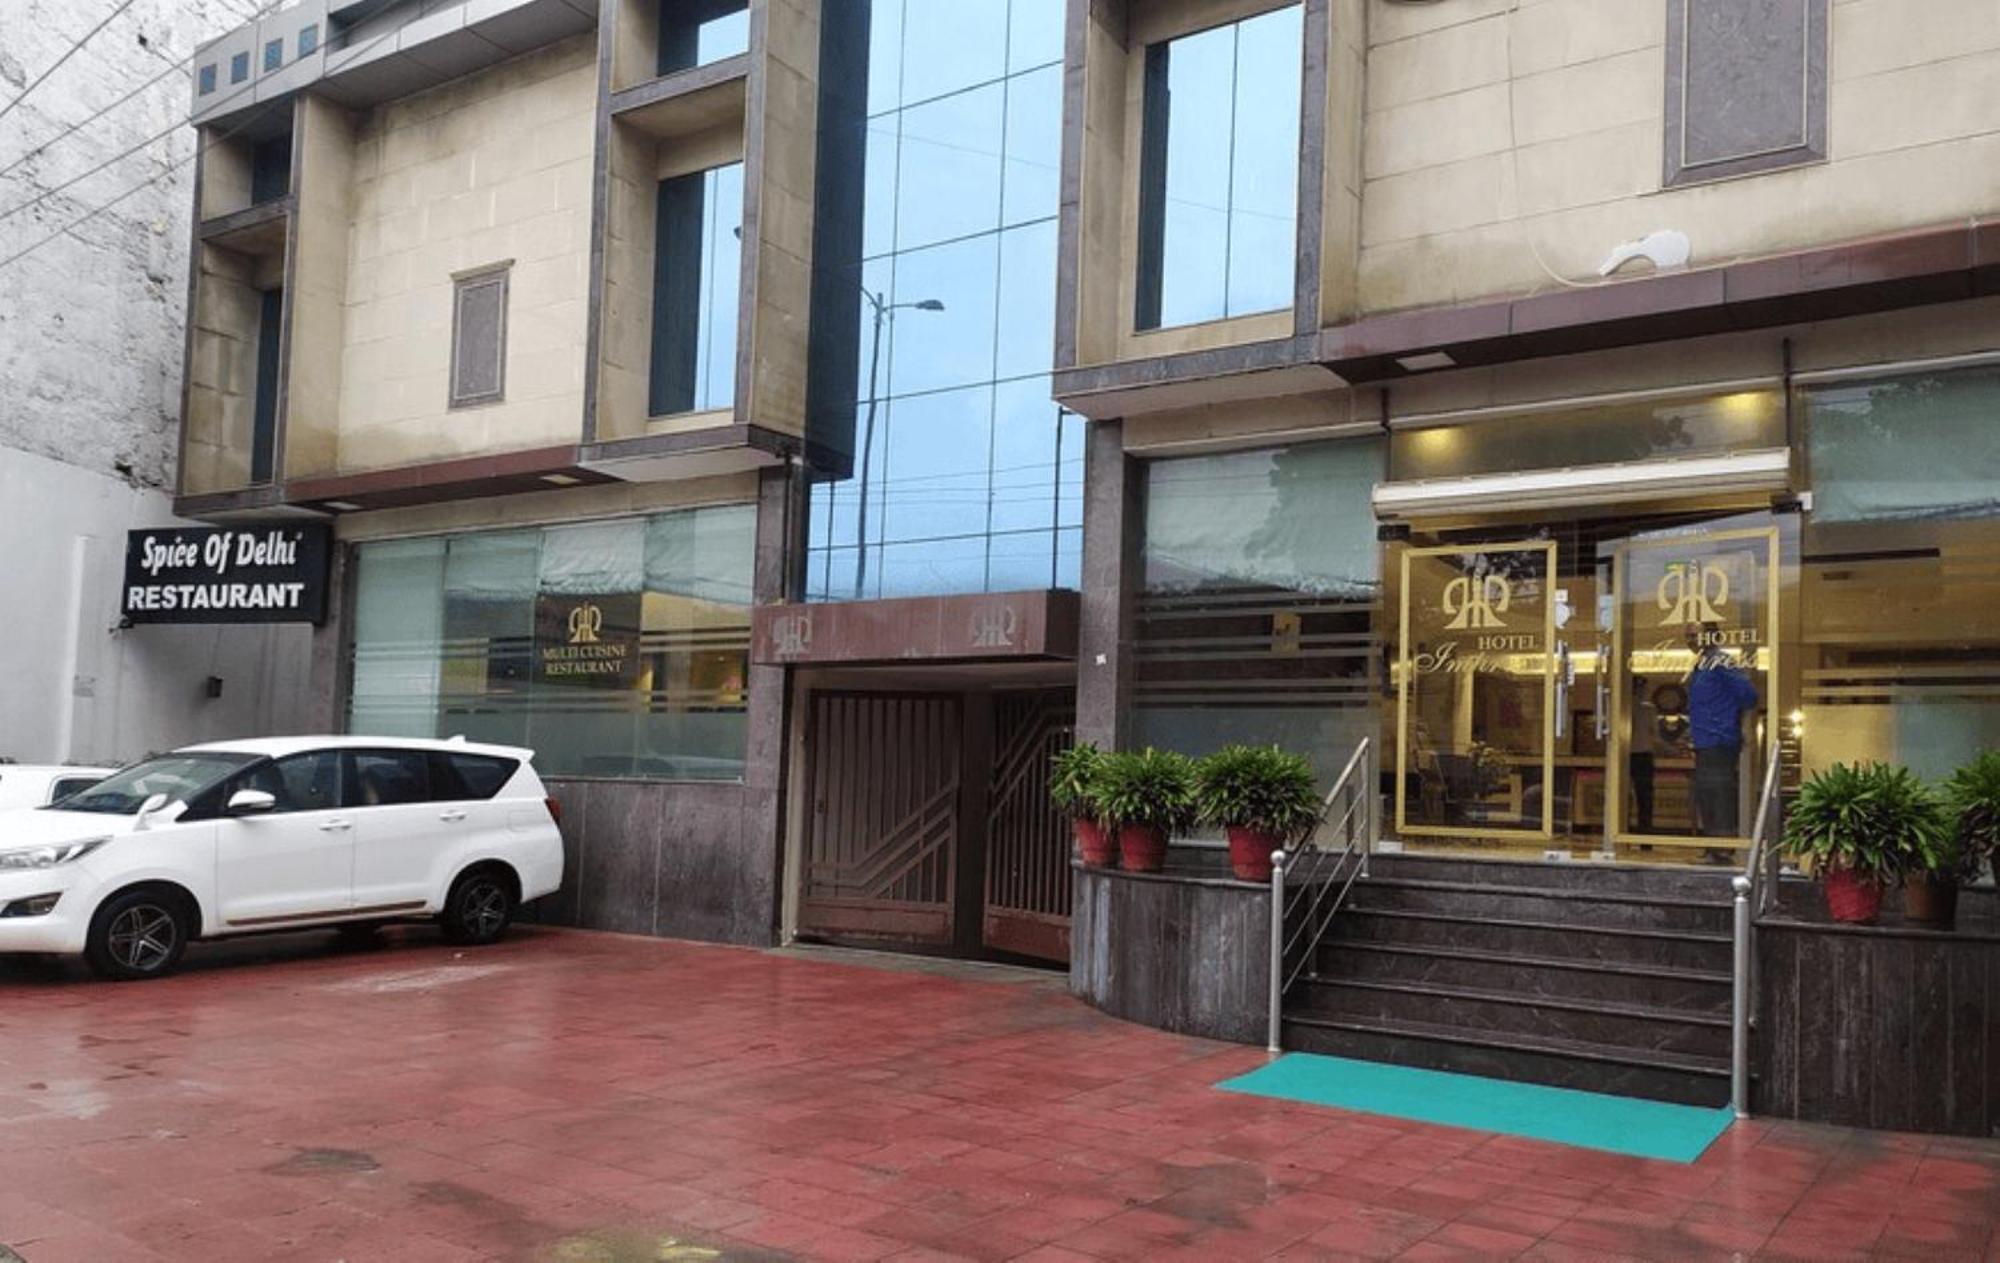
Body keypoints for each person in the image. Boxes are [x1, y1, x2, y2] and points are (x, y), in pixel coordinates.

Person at [1686, 622, 1759, 847]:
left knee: (1718, 795)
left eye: (1694, 635)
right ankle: (1713, 846)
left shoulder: (1720, 662)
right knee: (1707, 794)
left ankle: (1722, 848)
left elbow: (1748, 695)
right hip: (1705, 741)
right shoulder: (1702, 665)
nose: (1689, 640)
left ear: (1710, 636)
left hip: (1719, 739)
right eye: (1687, 636)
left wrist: (1731, 722)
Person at [1628, 674, 1657, 833]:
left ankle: (1622, 833)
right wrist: (1673, 750)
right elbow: (1656, 737)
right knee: (1645, 800)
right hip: (1644, 757)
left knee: (1623, 798)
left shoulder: (1622, 708)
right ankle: (1645, 836)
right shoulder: (1648, 710)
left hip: (1625, 756)